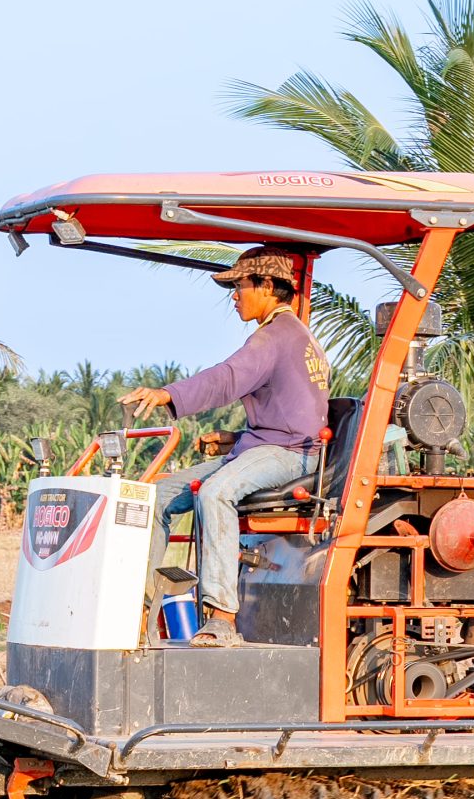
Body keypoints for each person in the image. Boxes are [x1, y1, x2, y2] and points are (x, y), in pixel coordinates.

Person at [120, 248, 328, 646]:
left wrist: (168, 394)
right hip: (267, 446)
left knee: (216, 493)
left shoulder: (276, 337)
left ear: (267, 286)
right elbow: (291, 411)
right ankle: (139, 610)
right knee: (158, 495)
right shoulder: (294, 337)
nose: (234, 296)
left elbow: (227, 378)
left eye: (240, 286)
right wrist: (234, 438)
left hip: (291, 454)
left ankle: (222, 617)